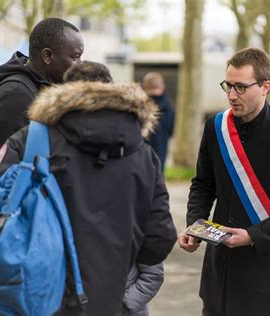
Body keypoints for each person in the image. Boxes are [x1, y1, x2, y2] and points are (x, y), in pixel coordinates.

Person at [0, 74, 177, 314]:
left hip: (33, 294)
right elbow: (160, 237)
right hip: (108, 299)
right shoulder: (143, 154)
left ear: (65, 91)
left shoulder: (31, 139)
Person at [177, 47, 270, 316]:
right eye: (228, 86)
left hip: (261, 274)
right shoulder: (216, 127)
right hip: (218, 272)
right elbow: (203, 183)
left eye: (240, 87)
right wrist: (194, 223)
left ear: (265, 86)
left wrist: (252, 235)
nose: (231, 95)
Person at [64, 61, 165, 316]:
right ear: (109, 91)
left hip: (59, 293)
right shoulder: (143, 153)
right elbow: (160, 233)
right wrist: (129, 299)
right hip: (121, 291)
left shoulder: (39, 142)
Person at [0, 17, 84, 163]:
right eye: (75, 57)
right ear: (48, 56)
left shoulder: (32, 91)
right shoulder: (15, 96)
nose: (80, 65)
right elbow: (5, 172)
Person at [141, 72, 174, 173]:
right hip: (160, 155)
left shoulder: (138, 107)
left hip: (140, 157)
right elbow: (171, 131)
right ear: (162, 87)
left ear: (143, 87)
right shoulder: (168, 109)